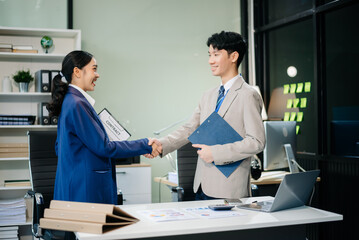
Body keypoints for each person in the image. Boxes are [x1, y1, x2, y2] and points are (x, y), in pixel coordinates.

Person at [147, 31, 265, 200]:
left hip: (229, 190)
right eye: (209, 55)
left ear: (234, 56)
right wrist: (161, 144)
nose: (210, 60)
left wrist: (216, 153)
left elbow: (256, 142)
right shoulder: (208, 95)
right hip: (201, 186)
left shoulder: (248, 95)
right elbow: (190, 129)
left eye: (216, 55)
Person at [47, 50, 160, 205]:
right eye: (94, 69)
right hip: (84, 191)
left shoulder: (70, 100)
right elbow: (104, 148)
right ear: (77, 72)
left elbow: (59, 147)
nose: (97, 74)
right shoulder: (77, 104)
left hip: (74, 187)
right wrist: (146, 144)